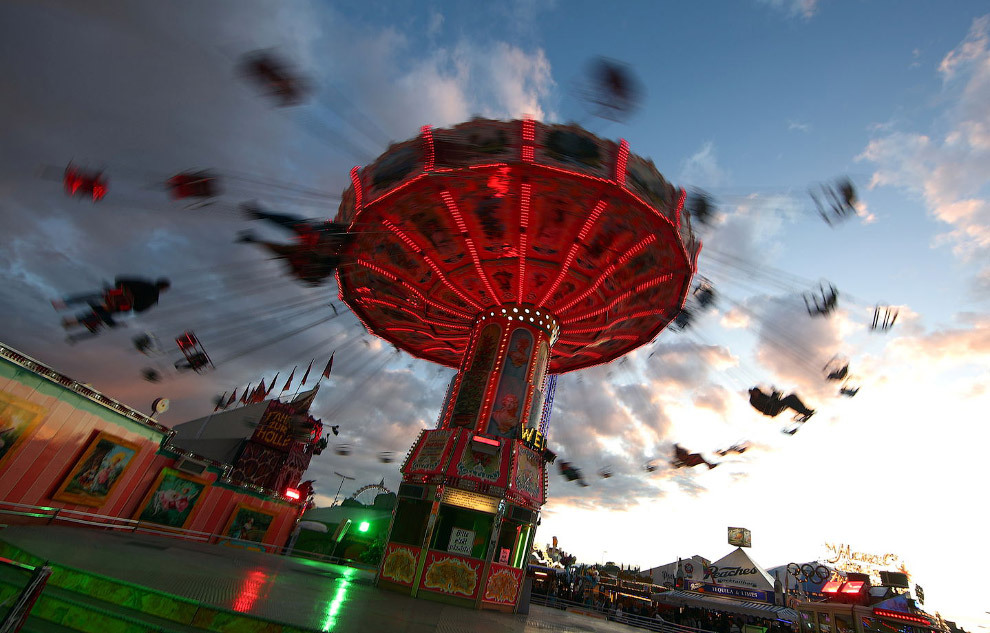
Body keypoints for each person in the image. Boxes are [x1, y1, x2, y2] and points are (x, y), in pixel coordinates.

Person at [54, 277, 170, 336]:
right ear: (163, 289)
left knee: (90, 297)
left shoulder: (144, 283)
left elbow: (121, 279)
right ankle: (73, 321)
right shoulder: (153, 298)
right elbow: (139, 309)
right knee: (100, 315)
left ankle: (64, 303)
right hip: (117, 306)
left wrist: (121, 288)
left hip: (112, 296)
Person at [748, 387, 815, 421]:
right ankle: (804, 411)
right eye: (756, 392)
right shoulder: (753, 401)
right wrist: (773, 397)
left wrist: (775, 394)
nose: (758, 393)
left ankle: (804, 410)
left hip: (775, 406)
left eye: (758, 392)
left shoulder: (761, 395)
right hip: (771, 410)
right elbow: (765, 404)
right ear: (753, 393)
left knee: (792, 397)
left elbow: (772, 400)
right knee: (789, 400)